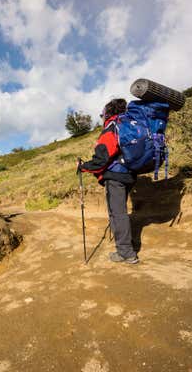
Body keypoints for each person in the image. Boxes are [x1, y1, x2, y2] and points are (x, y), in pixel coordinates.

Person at [78, 98, 139, 264]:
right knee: (119, 212)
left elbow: (101, 159)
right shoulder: (126, 124)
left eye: (101, 114)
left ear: (108, 113)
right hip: (129, 175)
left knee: (117, 213)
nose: (102, 117)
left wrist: (83, 166)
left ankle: (126, 252)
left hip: (115, 176)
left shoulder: (111, 127)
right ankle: (124, 247)